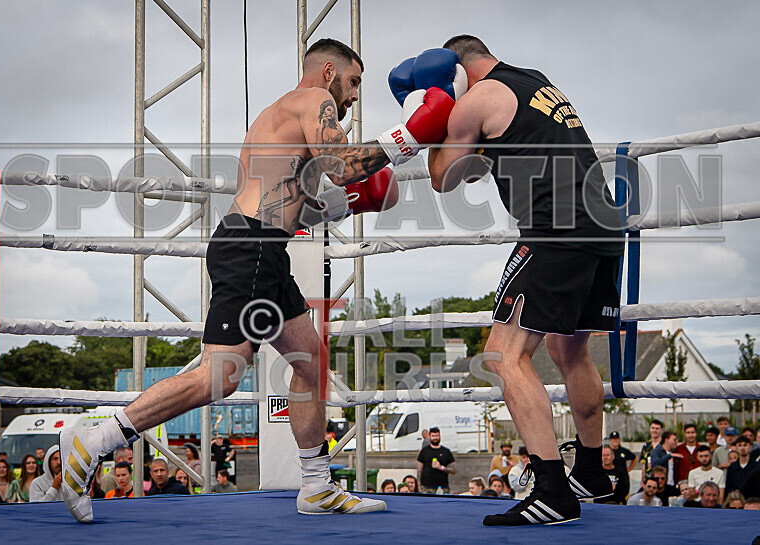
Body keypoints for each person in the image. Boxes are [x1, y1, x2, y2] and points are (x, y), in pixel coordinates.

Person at [58, 36, 452, 523]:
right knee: (219, 376)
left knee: (309, 362)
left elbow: (295, 195)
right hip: (252, 249)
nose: (353, 97)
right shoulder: (315, 100)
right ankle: (97, 439)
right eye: (352, 83)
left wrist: (341, 203)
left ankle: (316, 486)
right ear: (329, 72)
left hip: (265, 249)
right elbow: (342, 165)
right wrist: (410, 135)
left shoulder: (279, 115)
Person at [427, 35, 623, 525]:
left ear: (454, 70)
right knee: (568, 351)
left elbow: (442, 177)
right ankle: (593, 474)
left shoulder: (476, 98)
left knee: (503, 354)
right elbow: (477, 170)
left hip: (555, 230)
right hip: (601, 225)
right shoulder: (535, 83)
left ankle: (553, 492)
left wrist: (427, 112)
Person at [416, 427, 456, 494]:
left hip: (443, 487)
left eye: (437, 436)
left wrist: (441, 467)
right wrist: (419, 485)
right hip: (426, 488)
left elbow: (453, 470)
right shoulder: (424, 451)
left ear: (440, 436)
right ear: (430, 437)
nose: (435, 438)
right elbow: (419, 470)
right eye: (433, 436)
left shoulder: (446, 451)